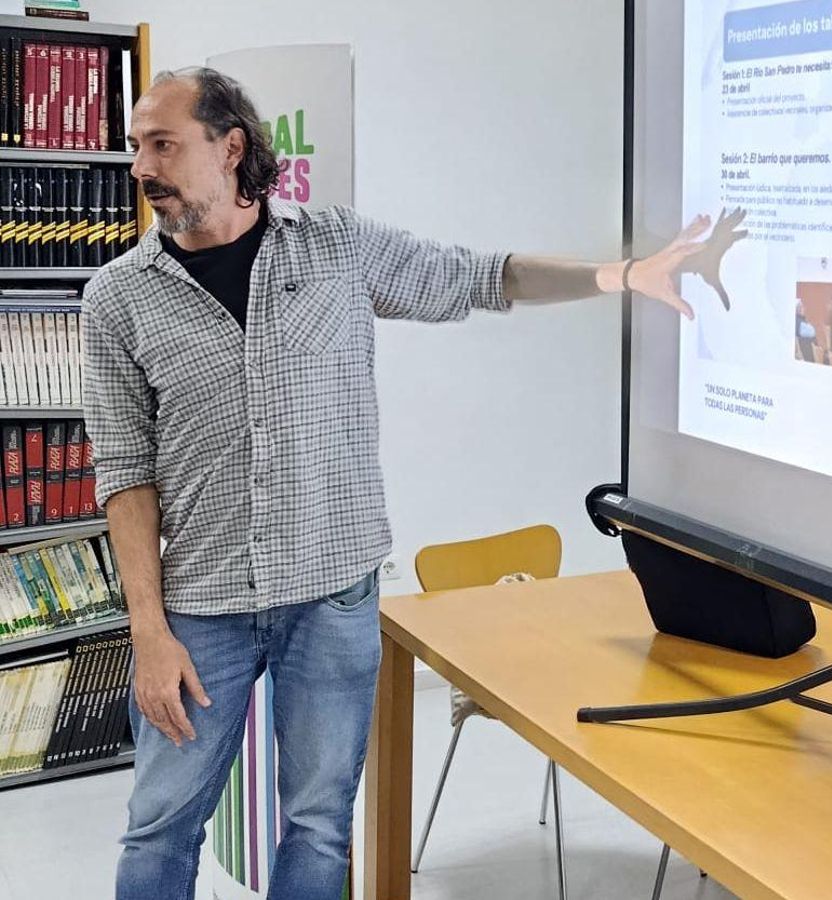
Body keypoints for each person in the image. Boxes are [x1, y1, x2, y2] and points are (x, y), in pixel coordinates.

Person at [83, 68, 711, 900]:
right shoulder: (117, 297)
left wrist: (621, 276)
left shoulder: (336, 247)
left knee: (319, 825)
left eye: (162, 145)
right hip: (201, 606)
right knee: (160, 829)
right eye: (137, 146)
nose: (141, 167)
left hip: (331, 599)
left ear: (230, 149)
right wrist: (148, 633)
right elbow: (125, 475)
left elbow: (484, 277)